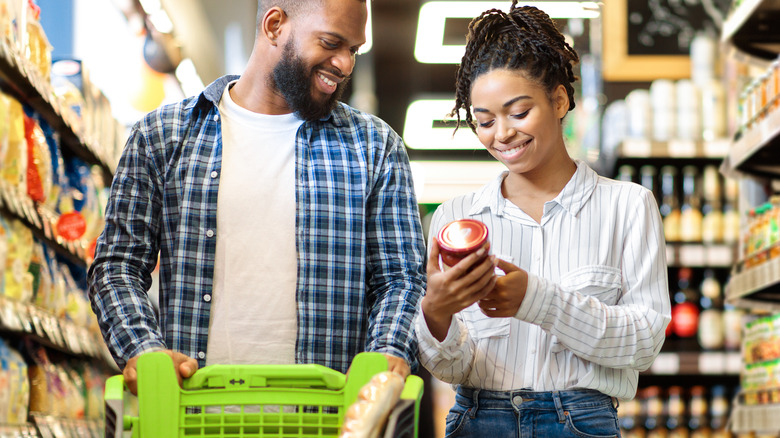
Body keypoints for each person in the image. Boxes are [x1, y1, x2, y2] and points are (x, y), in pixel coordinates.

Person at [88, 0, 426, 394]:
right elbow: (117, 266)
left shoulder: (374, 147)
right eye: (332, 42)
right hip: (192, 414)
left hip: (326, 418)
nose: (345, 64)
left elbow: (401, 279)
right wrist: (143, 350)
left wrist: (386, 352)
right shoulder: (162, 137)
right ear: (275, 25)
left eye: (353, 49)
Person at [415, 2, 671, 436]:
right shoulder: (456, 217)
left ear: (558, 98)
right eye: (484, 121)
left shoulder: (628, 205)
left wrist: (538, 301)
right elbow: (453, 368)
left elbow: (644, 342)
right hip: (479, 420)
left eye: (518, 112)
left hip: (581, 422)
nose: (502, 134)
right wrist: (435, 314)